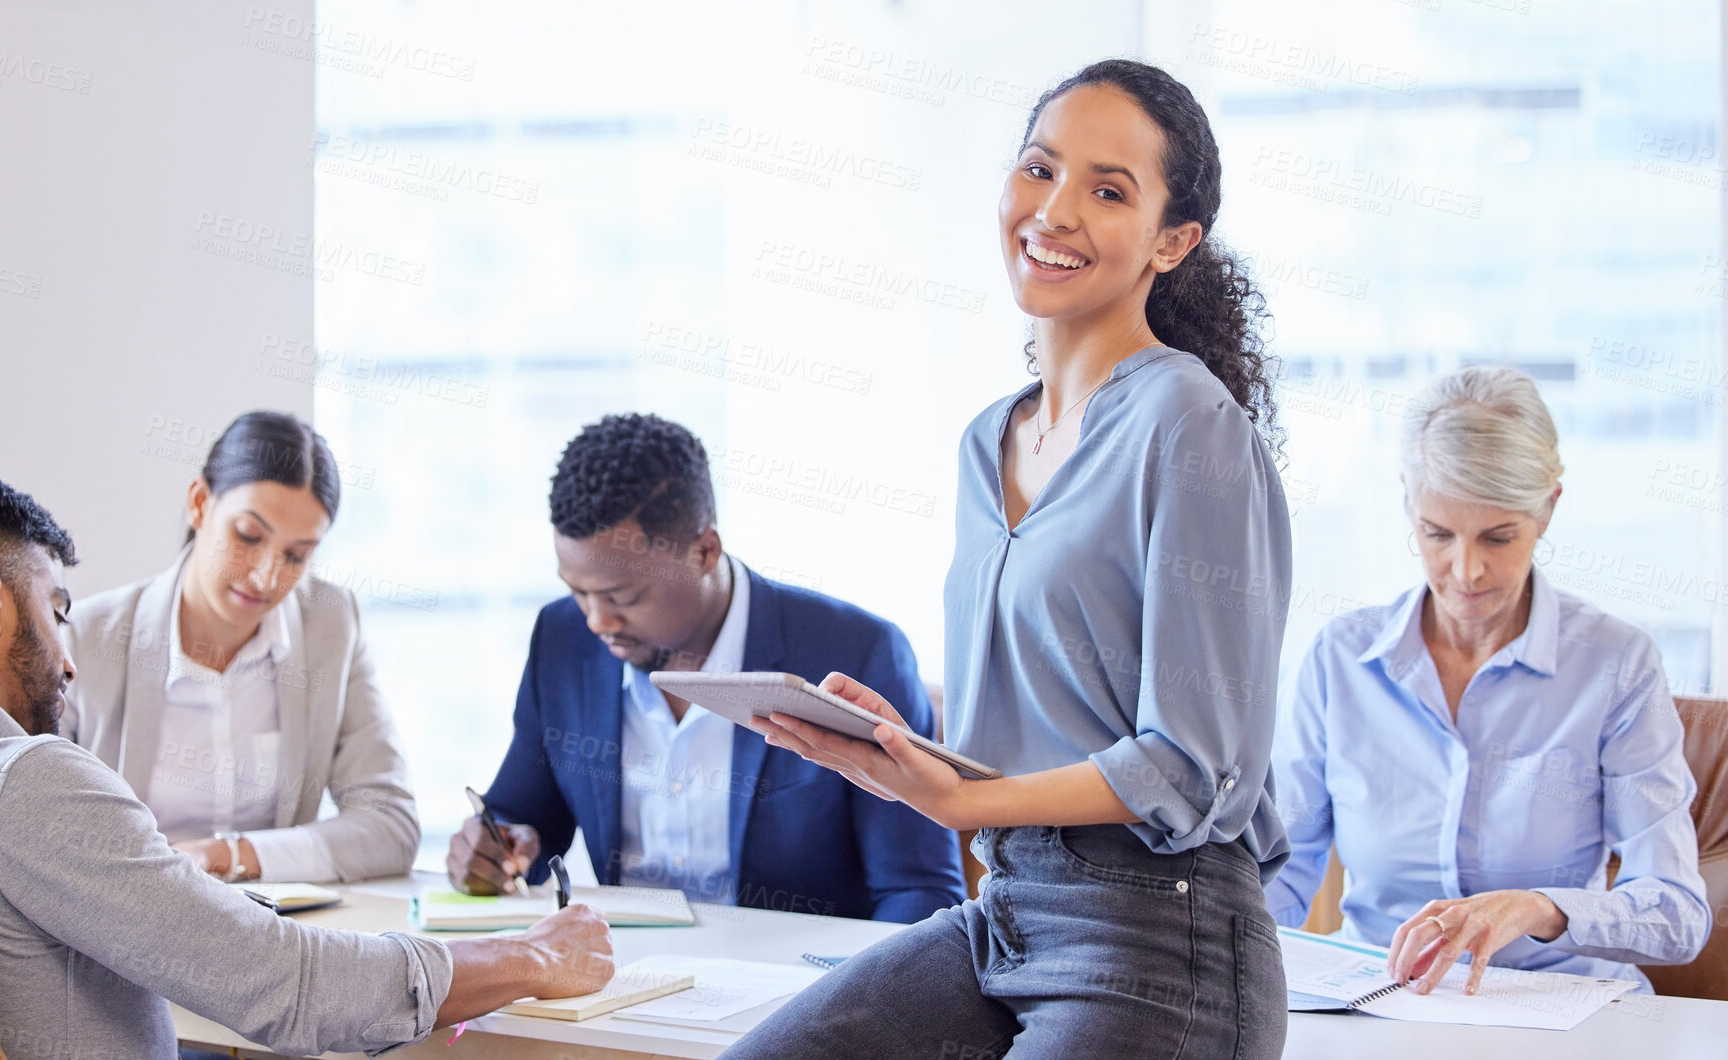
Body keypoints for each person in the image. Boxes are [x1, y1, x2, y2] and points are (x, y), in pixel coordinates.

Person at [723, 59, 1293, 1059]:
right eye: (1039, 169)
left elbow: (1195, 767)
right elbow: (1041, 739)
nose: (1056, 210)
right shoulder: (986, 440)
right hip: (1009, 915)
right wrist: (909, 762)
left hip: (1166, 936)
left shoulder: (1187, 420)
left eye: (1107, 190)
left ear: (1173, 241)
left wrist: (964, 800)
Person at [0, 466, 611, 1059]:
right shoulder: (25, 780)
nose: (70, 663)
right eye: (57, 610)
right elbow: (288, 986)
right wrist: (533, 954)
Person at [1265, 366, 1709, 994]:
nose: (1465, 571)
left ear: (1548, 509)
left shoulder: (1617, 664)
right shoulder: (1341, 658)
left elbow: (1676, 912)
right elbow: (1279, 875)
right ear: (1408, 504)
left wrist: (1540, 908)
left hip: (1562, 1004)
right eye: (1437, 534)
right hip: (1379, 1001)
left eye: (1498, 537)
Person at [447, 413, 963, 922]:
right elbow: (524, 815)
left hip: (799, 990)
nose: (598, 620)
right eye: (577, 591)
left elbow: (920, 893)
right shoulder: (562, 640)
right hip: (617, 976)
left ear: (704, 551)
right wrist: (497, 850)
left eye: (623, 595)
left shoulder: (855, 652)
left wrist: (850, 999)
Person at [62, 411, 416, 883]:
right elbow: (35, 831)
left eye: (297, 555)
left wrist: (228, 855)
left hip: (277, 937)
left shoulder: (331, 626)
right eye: (248, 536)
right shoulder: (86, 637)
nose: (266, 576)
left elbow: (390, 825)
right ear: (200, 503)